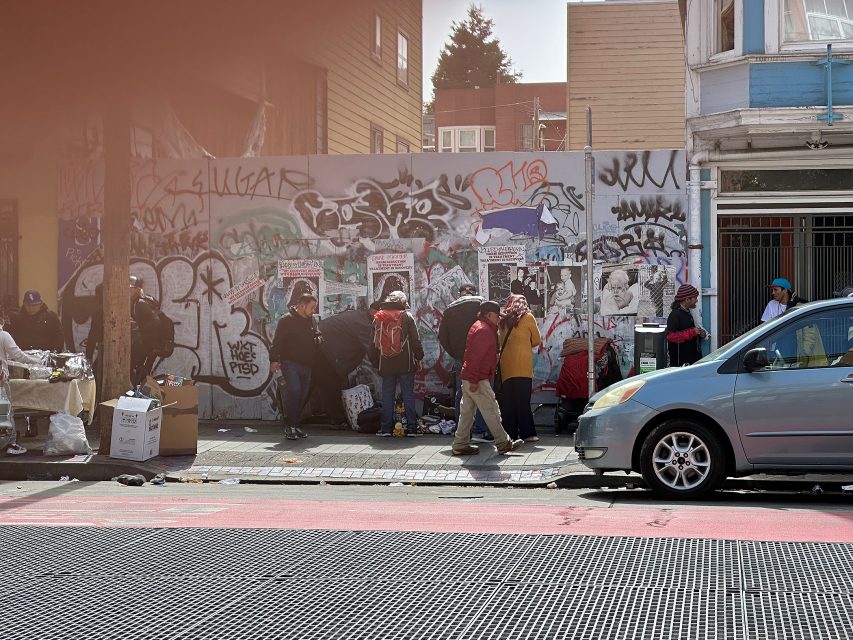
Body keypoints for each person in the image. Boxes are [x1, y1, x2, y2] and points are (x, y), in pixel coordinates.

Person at [451, 300, 525, 456]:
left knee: (467, 413)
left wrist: (470, 378)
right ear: (490, 315)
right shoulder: (484, 330)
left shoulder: (478, 326)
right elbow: (476, 358)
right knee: (491, 409)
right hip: (477, 378)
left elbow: (470, 355)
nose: (499, 319)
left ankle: (460, 443)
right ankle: (503, 442)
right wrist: (474, 380)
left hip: (471, 376)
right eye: (497, 316)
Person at [311, 302, 381, 426]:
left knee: (319, 384)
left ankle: (299, 416)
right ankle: (337, 420)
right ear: (374, 312)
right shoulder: (365, 323)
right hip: (324, 350)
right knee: (329, 384)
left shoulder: (360, 317)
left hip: (323, 349)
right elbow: (371, 348)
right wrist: (381, 368)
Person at [436, 284, 490, 441]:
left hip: (461, 358)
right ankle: (480, 431)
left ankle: (462, 432)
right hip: (480, 357)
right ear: (474, 292)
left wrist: (456, 354)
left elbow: (443, 337)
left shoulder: (449, 310)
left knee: (462, 394)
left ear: (459, 294)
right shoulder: (481, 305)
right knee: (481, 392)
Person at [370, 291, 424, 437]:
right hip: (405, 363)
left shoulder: (379, 317)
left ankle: (386, 429)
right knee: (408, 394)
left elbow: (373, 344)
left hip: (386, 364)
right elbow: (415, 340)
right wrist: (419, 357)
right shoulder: (406, 316)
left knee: (387, 395)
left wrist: (375, 363)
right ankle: (412, 428)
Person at [270, 293, 322, 440]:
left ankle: (295, 425)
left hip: (308, 364)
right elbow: (277, 341)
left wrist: (319, 338)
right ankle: (289, 426)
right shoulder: (286, 321)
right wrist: (273, 360)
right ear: (302, 306)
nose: (313, 310)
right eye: (311, 307)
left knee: (302, 396)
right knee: (294, 391)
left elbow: (317, 334)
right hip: (290, 363)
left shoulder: (311, 320)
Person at [497, 294, 542, 442]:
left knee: (508, 402)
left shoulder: (502, 321)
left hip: (506, 366)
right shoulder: (528, 317)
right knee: (522, 401)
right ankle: (527, 433)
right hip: (522, 366)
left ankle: (510, 433)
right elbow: (536, 340)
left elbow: (499, 342)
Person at [0, 328, 44, 455]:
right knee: (5, 412)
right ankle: (10, 444)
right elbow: (18, 356)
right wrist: (39, 361)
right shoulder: (3, 335)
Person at [130, 276, 162, 386]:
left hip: (148, 345)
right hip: (147, 344)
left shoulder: (140, 303)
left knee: (139, 374)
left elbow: (156, 322)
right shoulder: (139, 302)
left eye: (129, 288)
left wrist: (140, 328)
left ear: (136, 289)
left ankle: (143, 396)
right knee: (141, 374)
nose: (127, 291)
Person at [666, 284, 707, 367]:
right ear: (687, 299)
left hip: (690, 361)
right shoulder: (675, 315)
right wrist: (692, 332)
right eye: (695, 298)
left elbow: (686, 332)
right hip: (681, 364)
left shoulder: (686, 312)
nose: (696, 301)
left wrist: (699, 334)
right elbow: (671, 336)